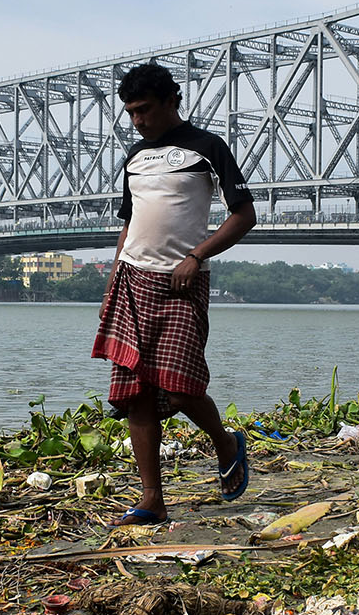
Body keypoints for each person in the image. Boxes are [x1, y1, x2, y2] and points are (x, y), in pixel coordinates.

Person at [91, 62, 258, 526]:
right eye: (130, 113)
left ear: (172, 100)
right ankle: (152, 500)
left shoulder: (208, 148)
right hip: (131, 280)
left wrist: (196, 256)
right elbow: (131, 221)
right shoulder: (134, 156)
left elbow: (244, 216)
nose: (137, 121)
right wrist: (115, 268)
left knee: (180, 388)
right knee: (136, 393)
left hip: (183, 281)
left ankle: (225, 442)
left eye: (144, 110)